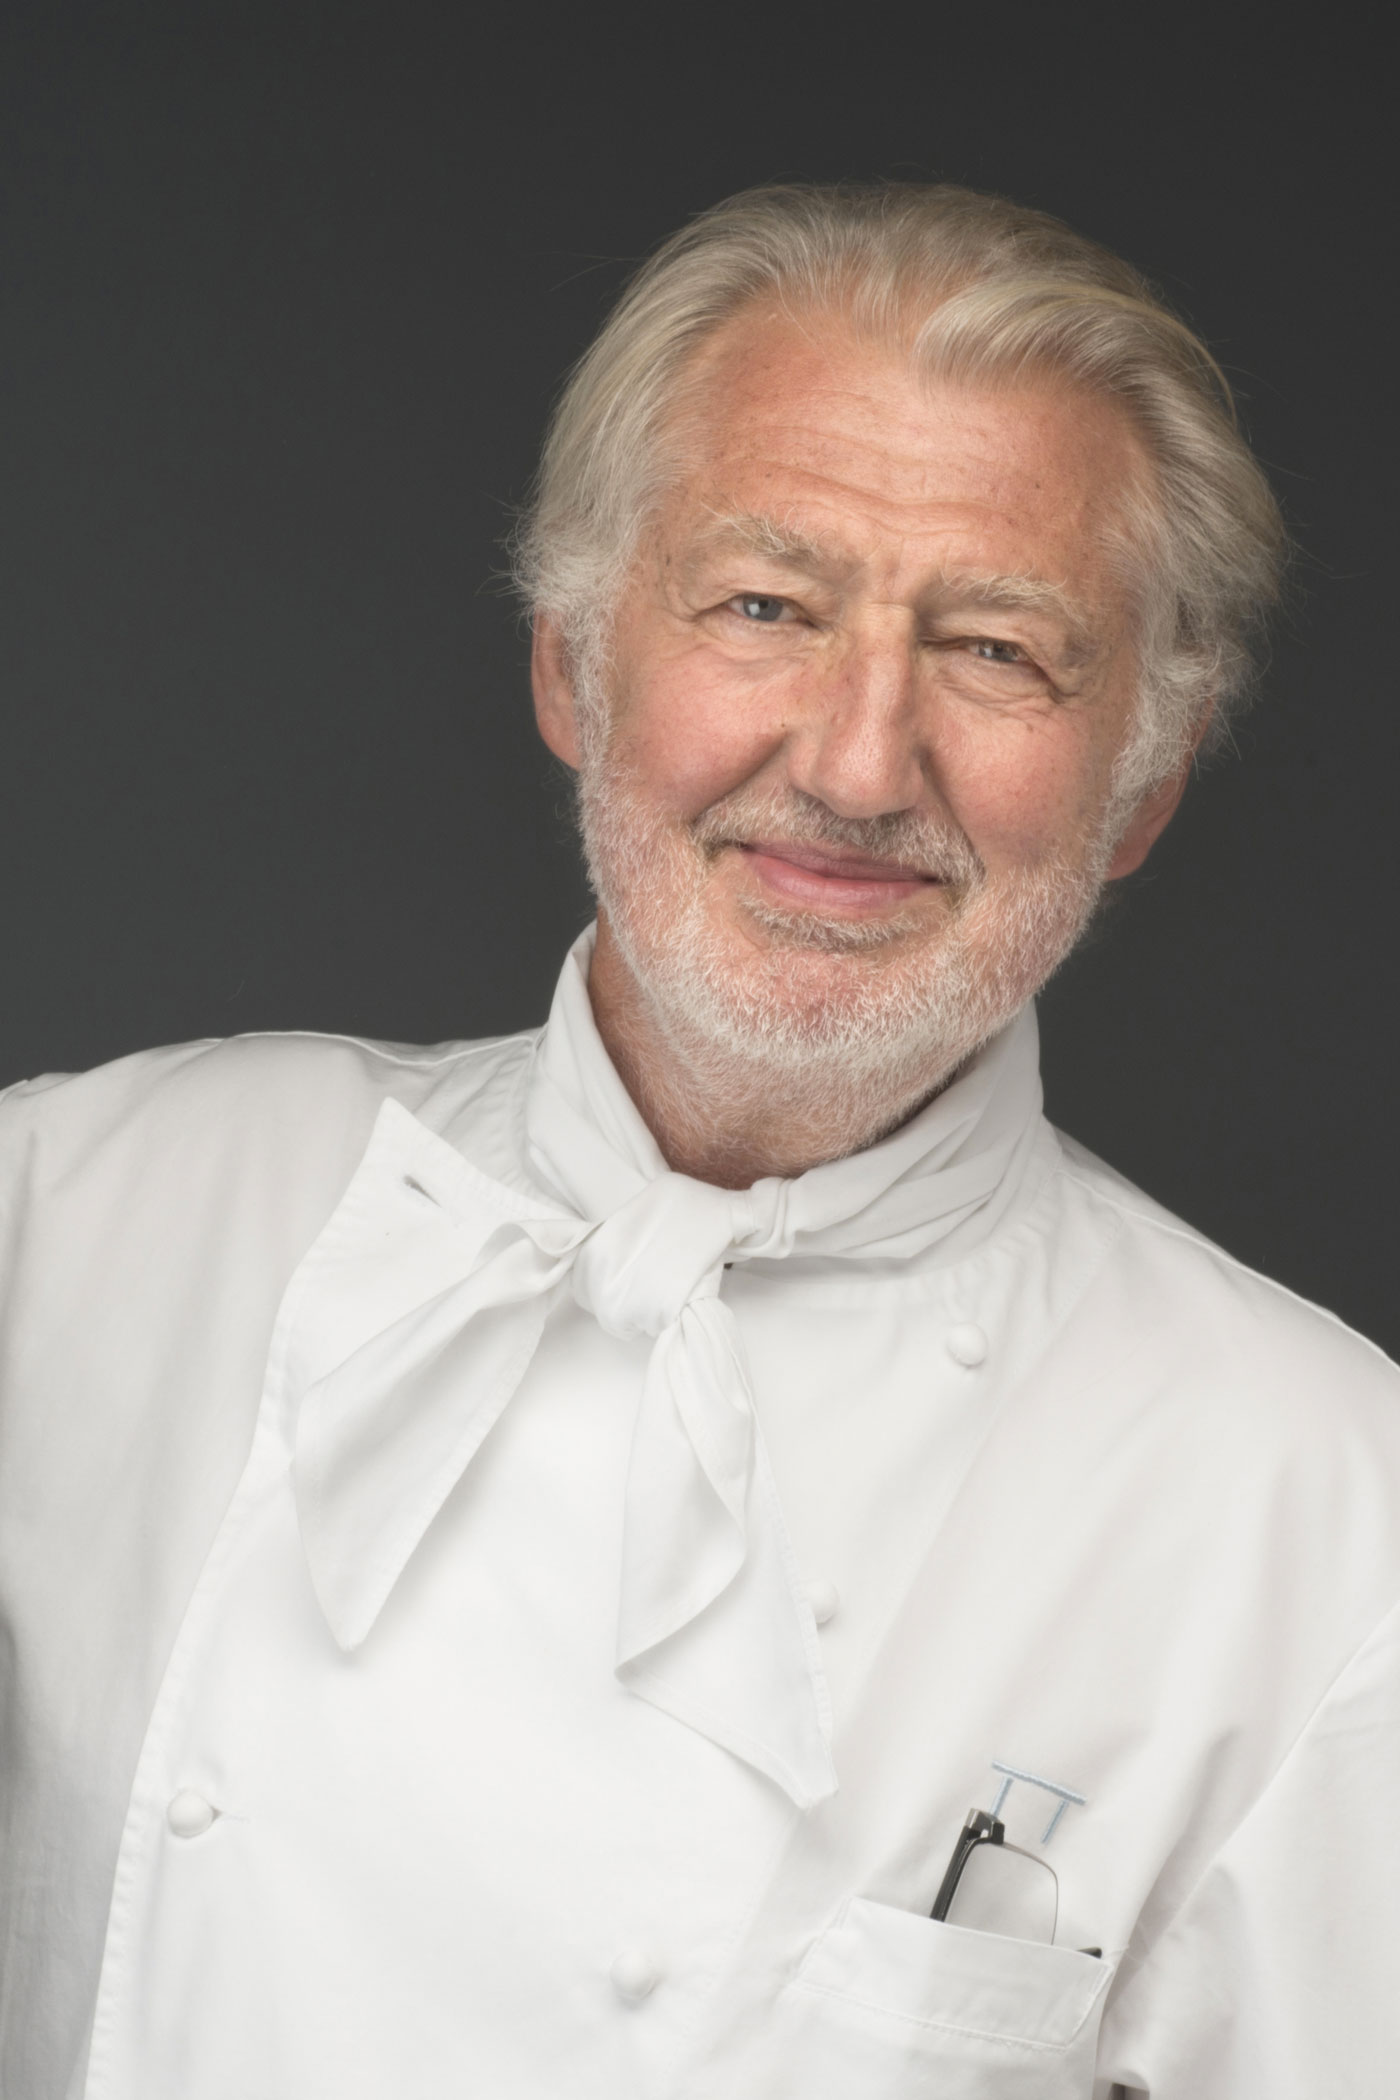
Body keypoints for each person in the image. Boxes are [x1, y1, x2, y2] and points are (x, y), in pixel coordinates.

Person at [1, 182, 1396, 2100]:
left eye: (999, 648)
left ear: (1142, 783)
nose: (855, 762)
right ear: (572, 667)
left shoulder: (1326, 1512)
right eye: (764, 607)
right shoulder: (75, 1220)